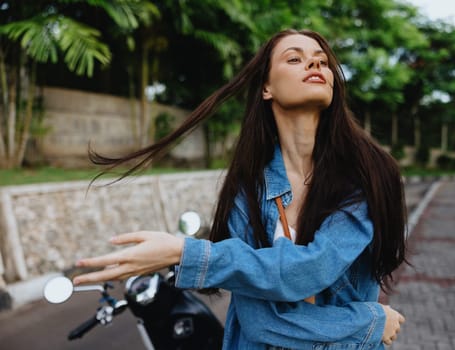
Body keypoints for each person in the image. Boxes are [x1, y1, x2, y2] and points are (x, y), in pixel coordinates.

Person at [73, 29, 407, 349]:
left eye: (322, 60)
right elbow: (260, 321)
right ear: (266, 87)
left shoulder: (366, 174)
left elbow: (310, 270)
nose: (316, 64)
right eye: (294, 59)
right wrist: (367, 322)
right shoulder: (247, 189)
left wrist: (184, 253)